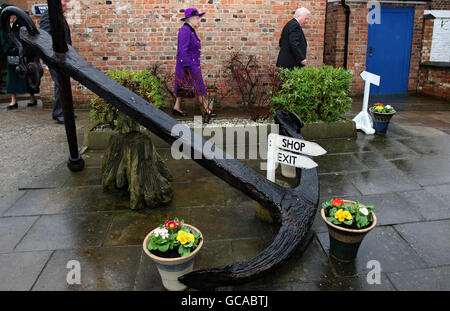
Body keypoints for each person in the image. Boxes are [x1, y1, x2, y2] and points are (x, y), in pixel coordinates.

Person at [173, 7, 216, 120]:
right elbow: (182, 49)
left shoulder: (190, 30)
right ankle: (207, 110)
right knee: (199, 86)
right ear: (190, 19)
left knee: (182, 86)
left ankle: (176, 107)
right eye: (197, 18)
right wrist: (187, 65)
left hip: (190, 63)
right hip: (188, 63)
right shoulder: (185, 30)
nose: (198, 20)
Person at [39, 0, 72, 124]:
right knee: (60, 84)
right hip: (55, 58)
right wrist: (51, 58)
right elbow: (45, 38)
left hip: (62, 58)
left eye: (66, 1)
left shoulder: (59, 15)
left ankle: (62, 112)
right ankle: (60, 113)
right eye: (62, 1)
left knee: (61, 85)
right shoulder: (49, 15)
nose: (64, 4)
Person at [1, 10, 38, 110]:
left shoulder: (22, 23)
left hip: (25, 55)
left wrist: (24, 49)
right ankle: (13, 100)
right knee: (12, 79)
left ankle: (32, 98)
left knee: (29, 76)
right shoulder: (5, 26)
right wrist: (10, 49)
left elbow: (29, 37)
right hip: (12, 56)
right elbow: (3, 40)